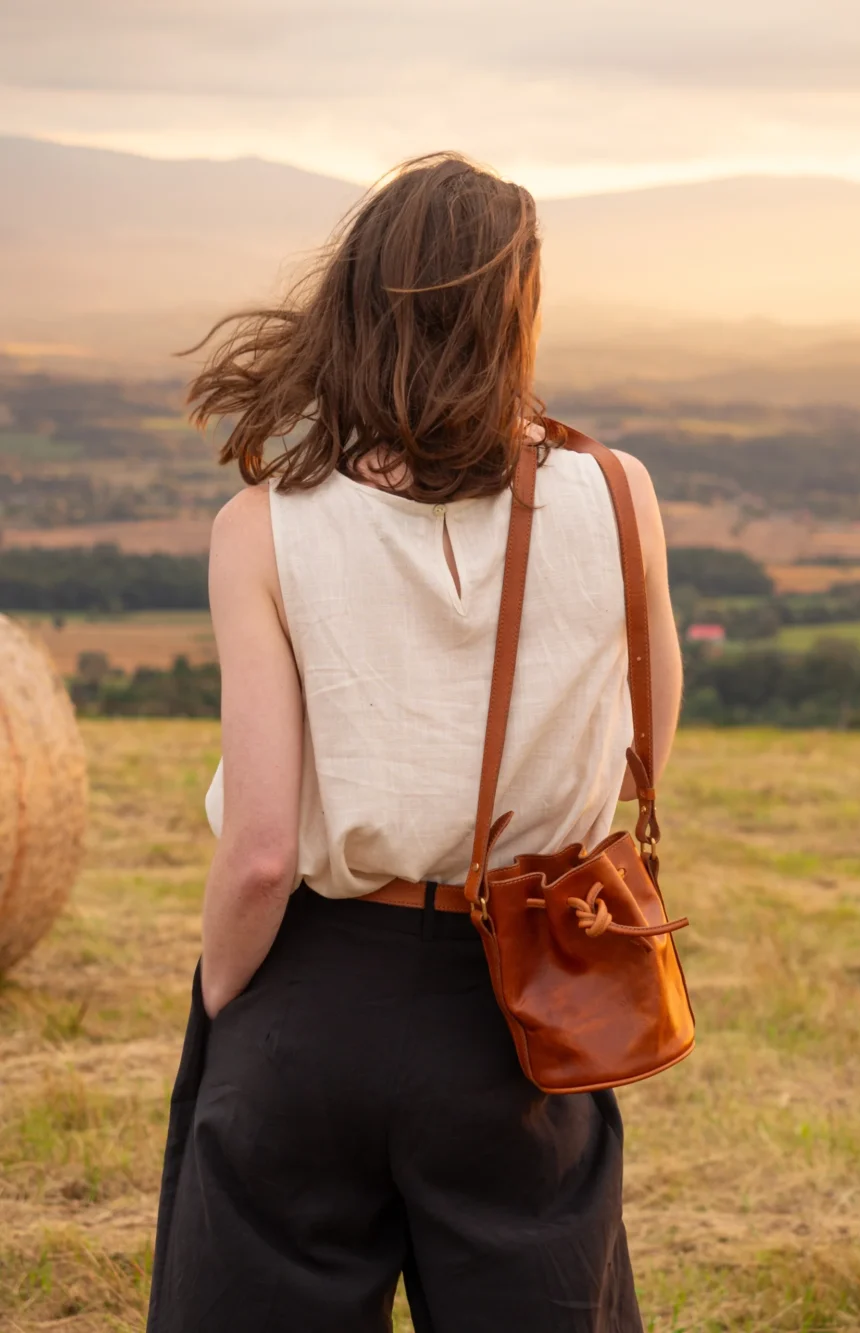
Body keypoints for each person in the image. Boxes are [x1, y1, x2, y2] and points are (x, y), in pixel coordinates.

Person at [147, 151, 683, 1333]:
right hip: (526, 996)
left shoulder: (261, 528)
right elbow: (644, 747)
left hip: (313, 980)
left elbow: (256, 851)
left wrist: (230, 1003)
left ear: (357, 301)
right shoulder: (620, 492)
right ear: (514, 312)